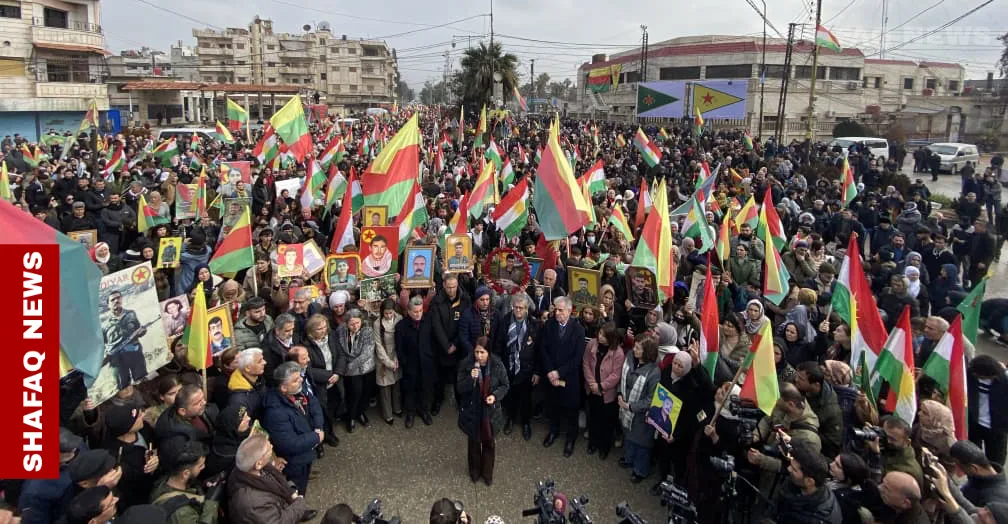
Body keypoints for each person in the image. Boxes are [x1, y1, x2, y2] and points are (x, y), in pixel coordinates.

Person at [261, 362, 324, 495]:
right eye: (295, 380)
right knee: (296, 489)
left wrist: (318, 426)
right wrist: (316, 437)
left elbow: (314, 405)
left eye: (299, 377)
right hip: (294, 461)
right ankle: (298, 510)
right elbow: (289, 443)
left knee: (304, 481)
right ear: (283, 388)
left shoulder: (297, 390)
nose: (301, 380)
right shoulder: (275, 413)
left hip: (306, 452)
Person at [227, 434, 317, 524]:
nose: (271, 446)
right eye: (268, 448)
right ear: (258, 464)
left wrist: (290, 490)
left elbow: (274, 481)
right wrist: (299, 505)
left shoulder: (251, 469)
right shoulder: (253, 504)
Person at [456, 336, 509, 486]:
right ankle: (474, 471)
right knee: (473, 442)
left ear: (488, 353)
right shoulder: (466, 364)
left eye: (482, 352)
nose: (479, 356)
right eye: (476, 352)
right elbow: (459, 387)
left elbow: (505, 385)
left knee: (489, 442)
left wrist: (495, 396)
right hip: (472, 409)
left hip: (490, 412)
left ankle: (487, 473)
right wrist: (469, 379)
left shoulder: (497, 364)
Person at [540, 296, 587, 458]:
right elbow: (543, 349)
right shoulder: (549, 325)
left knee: (570, 409)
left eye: (560, 310)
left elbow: (577, 358)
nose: (557, 312)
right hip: (551, 375)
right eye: (555, 309)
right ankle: (553, 431)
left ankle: (570, 438)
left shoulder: (578, 330)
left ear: (569, 311)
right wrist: (550, 370)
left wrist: (559, 372)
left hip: (568, 378)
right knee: (553, 405)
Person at [490, 293, 540, 441]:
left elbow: (538, 350)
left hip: (526, 368)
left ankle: (526, 423)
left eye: (521, 308)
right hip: (508, 365)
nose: (518, 310)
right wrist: (498, 367)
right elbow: (498, 344)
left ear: (526, 309)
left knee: (526, 397)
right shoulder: (504, 322)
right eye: (515, 307)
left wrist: (537, 371)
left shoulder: (534, 324)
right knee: (510, 395)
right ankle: (510, 419)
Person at [617, 334, 660, 483]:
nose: (633, 349)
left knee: (641, 444)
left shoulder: (654, 372)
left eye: (638, 348)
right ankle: (629, 458)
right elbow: (622, 379)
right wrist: (619, 394)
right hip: (625, 408)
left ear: (646, 352)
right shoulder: (630, 357)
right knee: (628, 436)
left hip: (640, 416)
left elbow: (651, 399)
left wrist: (631, 406)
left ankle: (640, 470)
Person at [150, 439, 221, 524]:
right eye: (200, 465)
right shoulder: (181, 513)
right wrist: (211, 504)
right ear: (186, 473)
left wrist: (201, 487)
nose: (204, 467)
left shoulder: (164, 481)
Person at [772, 441, 843, 524]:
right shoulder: (794, 484)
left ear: (809, 481)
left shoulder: (819, 518)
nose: (789, 469)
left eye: (794, 469)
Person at [396, 296, 436, 428]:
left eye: (420, 311)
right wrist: (404, 362)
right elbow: (399, 347)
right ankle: (411, 413)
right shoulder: (401, 326)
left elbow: (433, 340)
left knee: (426, 388)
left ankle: (424, 411)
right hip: (410, 364)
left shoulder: (428, 321)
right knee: (410, 389)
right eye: (415, 311)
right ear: (408, 311)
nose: (418, 314)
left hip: (426, 363)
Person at [334, 309, 377, 433]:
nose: (355, 326)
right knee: (354, 394)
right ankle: (351, 417)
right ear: (346, 323)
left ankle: (360, 412)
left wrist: (351, 365)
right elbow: (340, 349)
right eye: (352, 324)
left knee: (366, 393)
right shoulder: (340, 330)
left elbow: (367, 352)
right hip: (349, 369)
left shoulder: (367, 330)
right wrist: (347, 366)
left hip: (365, 367)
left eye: (357, 323)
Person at [102, 290, 148, 390]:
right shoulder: (104, 324)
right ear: (108, 304)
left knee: (142, 381)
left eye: (118, 298)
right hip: (116, 359)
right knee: (123, 386)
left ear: (122, 299)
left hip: (134, 353)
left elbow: (138, 329)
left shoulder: (131, 314)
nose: (116, 300)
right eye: (112, 299)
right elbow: (102, 344)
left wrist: (142, 331)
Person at [374, 298, 403, 425]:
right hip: (384, 358)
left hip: (396, 354)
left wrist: (396, 359)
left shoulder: (399, 319)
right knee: (385, 388)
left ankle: (397, 409)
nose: (388, 315)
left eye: (390, 313)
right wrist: (388, 362)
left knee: (396, 385)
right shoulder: (377, 323)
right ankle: (388, 414)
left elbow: (401, 340)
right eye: (386, 313)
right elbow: (378, 345)